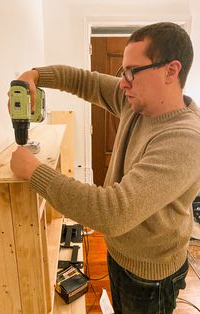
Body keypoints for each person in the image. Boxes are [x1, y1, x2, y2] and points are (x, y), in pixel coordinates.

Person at [10, 22, 200, 314]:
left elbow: (112, 212)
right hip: (120, 253)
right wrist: (34, 75)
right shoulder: (134, 100)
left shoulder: (184, 139)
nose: (123, 82)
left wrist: (34, 171)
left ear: (171, 71)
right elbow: (84, 80)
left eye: (132, 72)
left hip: (151, 277)